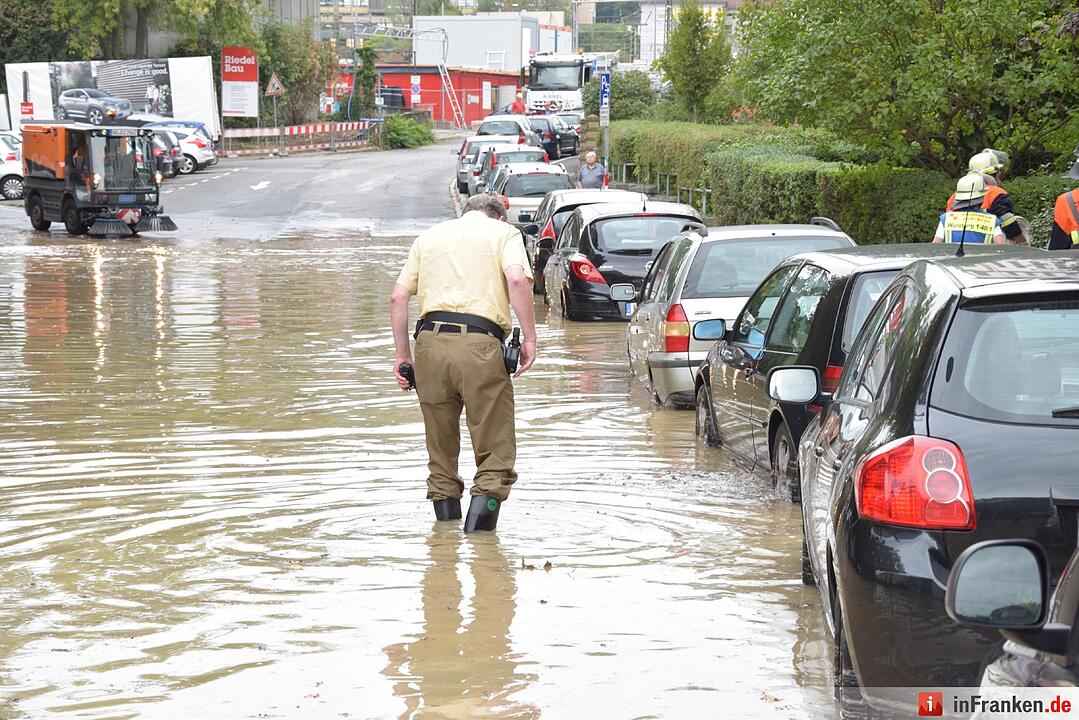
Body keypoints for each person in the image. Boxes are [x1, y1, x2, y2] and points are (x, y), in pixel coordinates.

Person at [390, 194, 537, 533]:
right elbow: (516, 280)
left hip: (428, 345)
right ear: (499, 217)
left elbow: (398, 296)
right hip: (480, 345)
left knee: (440, 453)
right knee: (495, 450)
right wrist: (529, 337)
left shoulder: (428, 237)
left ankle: (445, 548)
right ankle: (480, 544)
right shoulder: (505, 235)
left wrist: (402, 356)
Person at [945, 149, 1026, 244]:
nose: (1000, 173)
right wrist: (1024, 243)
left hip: (955, 250)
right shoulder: (996, 193)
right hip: (989, 251)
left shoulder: (955, 196)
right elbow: (1009, 224)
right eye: (998, 170)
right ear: (994, 173)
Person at [933, 173, 1006, 245]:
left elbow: (935, 246)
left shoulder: (946, 218)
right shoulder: (992, 220)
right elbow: (1001, 247)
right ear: (981, 197)